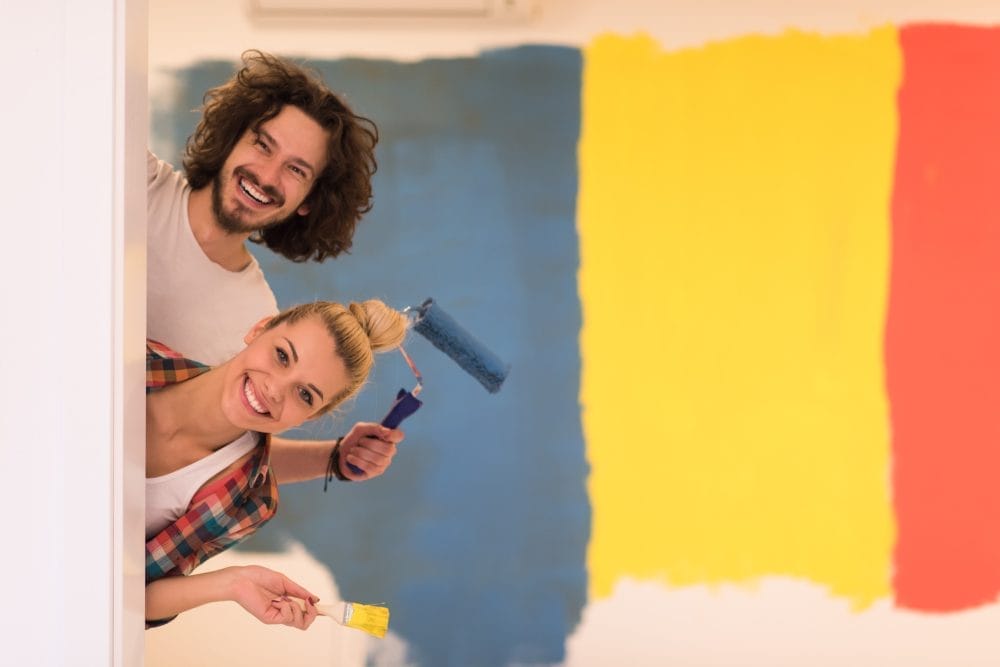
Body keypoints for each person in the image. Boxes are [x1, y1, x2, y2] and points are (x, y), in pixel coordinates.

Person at [147, 49, 397, 483]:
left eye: (295, 170)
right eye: (263, 144)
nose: (266, 175)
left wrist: (334, 458)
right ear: (232, 138)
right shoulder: (132, 181)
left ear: (309, 203)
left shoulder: (255, 317)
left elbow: (217, 449)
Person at [145, 299, 407, 629]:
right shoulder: (133, 357)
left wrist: (233, 583)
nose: (275, 389)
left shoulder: (250, 504)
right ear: (259, 329)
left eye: (305, 395)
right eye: (282, 356)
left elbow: (134, 601)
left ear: (312, 416)